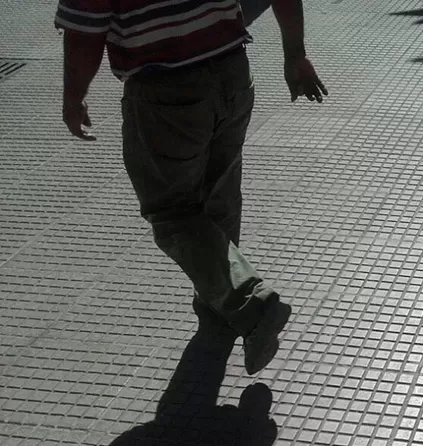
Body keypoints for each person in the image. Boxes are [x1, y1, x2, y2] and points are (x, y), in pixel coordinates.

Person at [56, 0, 327, 374]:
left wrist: (73, 96)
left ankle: (253, 304)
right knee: (220, 195)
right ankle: (218, 299)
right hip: (232, 71)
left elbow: (84, 34)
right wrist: (295, 54)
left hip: (166, 90)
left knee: (171, 212)